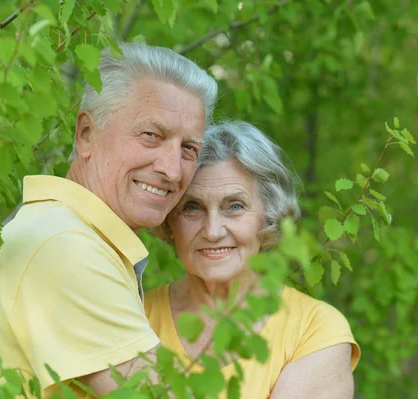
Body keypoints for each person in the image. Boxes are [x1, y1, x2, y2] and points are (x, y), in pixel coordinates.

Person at [0, 42, 217, 398]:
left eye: (189, 149)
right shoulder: (66, 247)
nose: (172, 169)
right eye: (151, 136)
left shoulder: (61, 231)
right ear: (86, 134)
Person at [145, 121, 361, 398]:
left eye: (234, 206)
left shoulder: (315, 329)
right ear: (170, 220)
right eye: (192, 207)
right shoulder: (132, 317)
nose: (212, 231)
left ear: (269, 215)